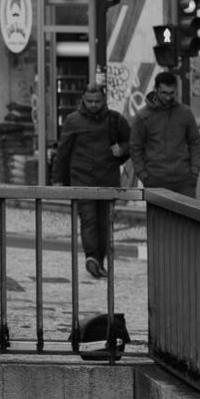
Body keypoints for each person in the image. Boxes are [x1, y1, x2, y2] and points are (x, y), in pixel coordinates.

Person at [52, 81, 130, 280]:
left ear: (104, 100)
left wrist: (122, 150)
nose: (93, 105)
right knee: (89, 219)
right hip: (82, 179)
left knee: (104, 223)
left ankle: (99, 261)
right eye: (90, 101)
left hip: (107, 178)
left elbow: (131, 142)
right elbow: (63, 151)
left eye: (97, 101)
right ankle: (92, 257)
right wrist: (58, 179)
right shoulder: (73, 120)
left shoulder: (115, 120)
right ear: (83, 100)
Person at [129, 69, 200, 200]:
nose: (168, 97)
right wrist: (143, 175)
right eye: (164, 93)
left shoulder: (185, 113)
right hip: (155, 180)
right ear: (156, 90)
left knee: (187, 213)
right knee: (158, 215)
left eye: (171, 93)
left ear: (176, 91)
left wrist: (194, 171)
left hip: (184, 181)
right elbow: (135, 147)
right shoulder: (143, 116)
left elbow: (195, 142)